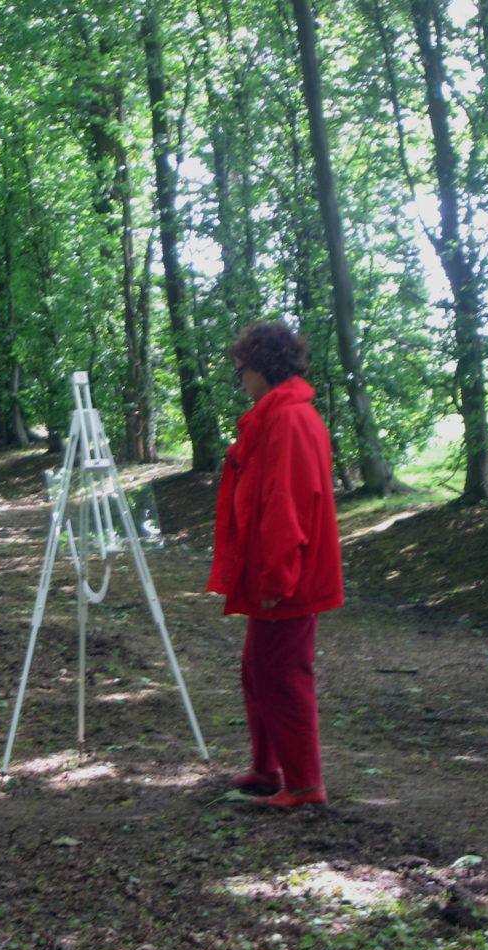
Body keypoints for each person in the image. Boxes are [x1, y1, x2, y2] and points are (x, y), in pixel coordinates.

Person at [206, 320, 344, 809]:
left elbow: (287, 504)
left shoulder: (289, 419)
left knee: (282, 674)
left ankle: (305, 785)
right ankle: (268, 768)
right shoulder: (277, 416)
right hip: (279, 571)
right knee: (257, 670)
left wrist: (276, 576)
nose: (240, 380)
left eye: (241, 370)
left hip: (289, 576)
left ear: (263, 368)